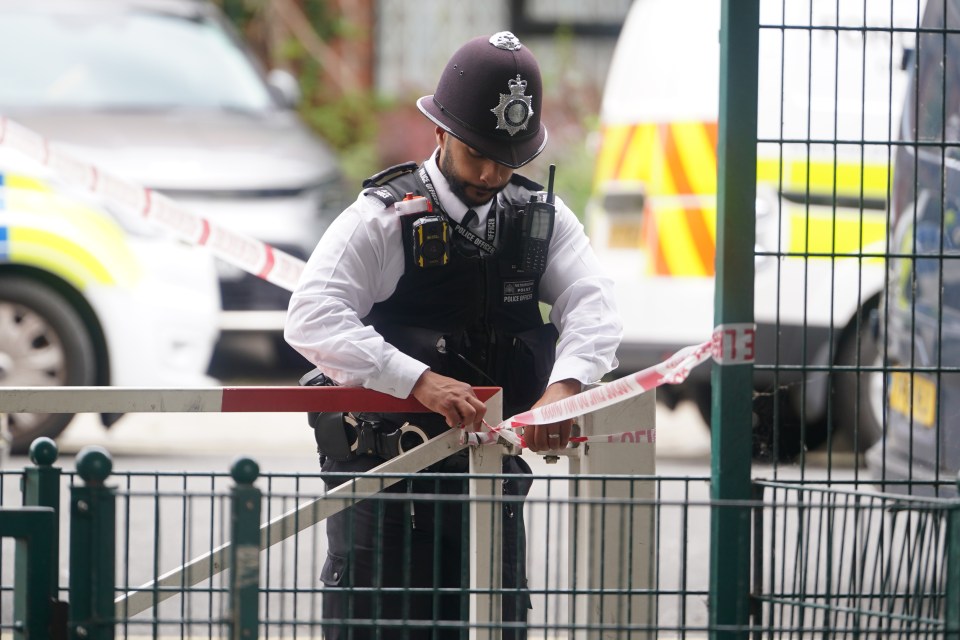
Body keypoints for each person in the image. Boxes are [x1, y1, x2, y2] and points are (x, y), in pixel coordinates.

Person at [285, 31, 622, 640]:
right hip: (387, 483)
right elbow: (312, 315)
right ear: (439, 133)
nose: (493, 173)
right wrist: (419, 381)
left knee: (497, 624)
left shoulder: (537, 219)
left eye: (509, 158)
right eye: (479, 154)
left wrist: (566, 387)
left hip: (490, 476)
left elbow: (592, 301)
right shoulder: (383, 218)